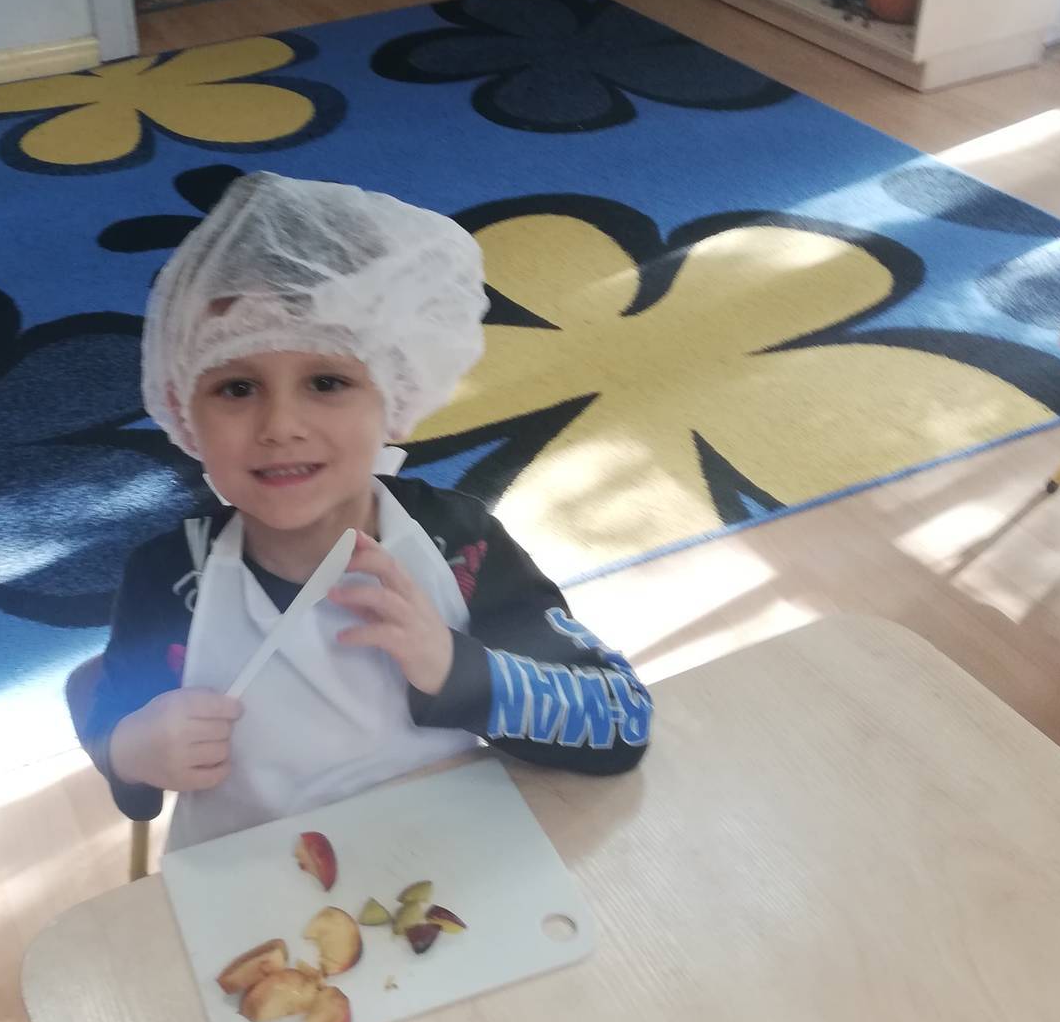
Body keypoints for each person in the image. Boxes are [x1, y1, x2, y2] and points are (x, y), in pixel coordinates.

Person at [88, 172, 652, 850]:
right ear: (184, 413)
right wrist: (128, 751)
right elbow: (108, 713)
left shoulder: (459, 544)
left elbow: (620, 719)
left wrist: (456, 669)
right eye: (237, 388)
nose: (280, 425)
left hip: (449, 866)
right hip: (252, 884)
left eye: (327, 382)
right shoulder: (166, 579)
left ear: (398, 395)